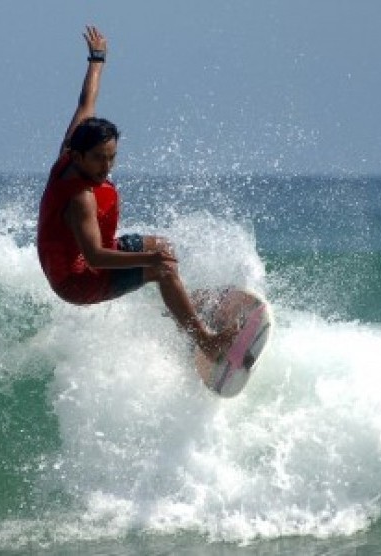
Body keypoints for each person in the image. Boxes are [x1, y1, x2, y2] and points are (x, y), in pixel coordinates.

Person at [36, 25, 233, 360]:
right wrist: (149, 261)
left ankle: (180, 308)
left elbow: (87, 101)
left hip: (92, 260)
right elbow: (96, 257)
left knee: (163, 248)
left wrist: (97, 59)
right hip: (78, 281)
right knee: (163, 266)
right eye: (99, 159)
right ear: (78, 155)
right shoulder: (80, 197)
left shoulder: (73, 147)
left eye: (112, 156)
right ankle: (207, 342)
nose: (106, 166)